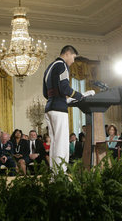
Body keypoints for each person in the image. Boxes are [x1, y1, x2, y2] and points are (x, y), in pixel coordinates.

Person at [43, 45, 92, 173]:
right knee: (62, 142)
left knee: (54, 142)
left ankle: (54, 173)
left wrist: (63, 98)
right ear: (67, 54)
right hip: (59, 109)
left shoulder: (49, 67)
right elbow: (65, 88)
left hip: (49, 108)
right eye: (74, 57)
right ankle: (60, 174)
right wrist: (79, 96)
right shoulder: (62, 65)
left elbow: (45, 92)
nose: (73, 61)